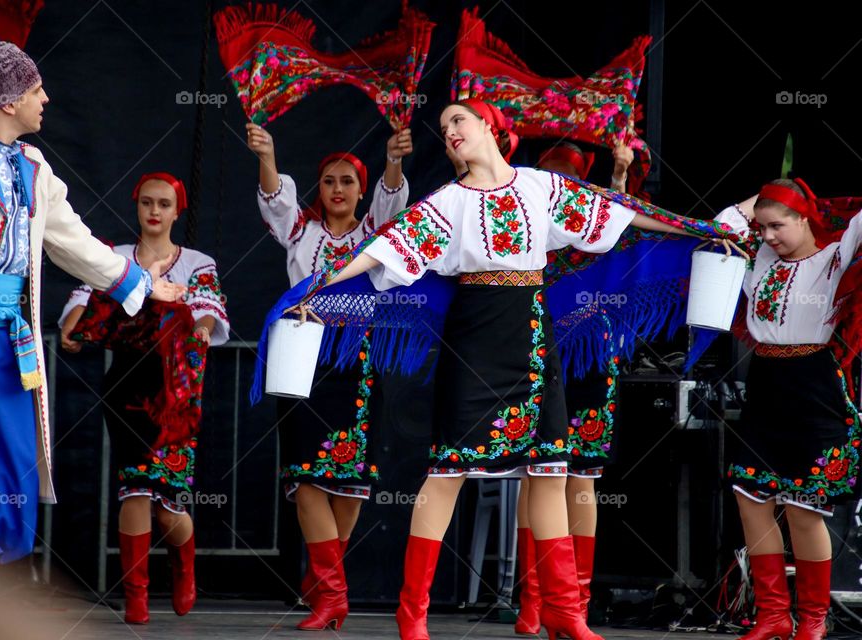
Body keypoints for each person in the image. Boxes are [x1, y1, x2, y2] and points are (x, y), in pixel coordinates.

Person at [289, 99, 733, 640]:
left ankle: (565, 613)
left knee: (550, 470)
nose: (449, 131)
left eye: (460, 120)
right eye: (445, 125)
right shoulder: (447, 202)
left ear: (492, 129)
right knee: (448, 471)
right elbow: (383, 250)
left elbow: (617, 211)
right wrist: (320, 286)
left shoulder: (541, 188)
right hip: (474, 341)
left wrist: (696, 229)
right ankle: (413, 614)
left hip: (532, 335)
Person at [0, 39, 184, 594]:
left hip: (8, 346)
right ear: (7, 101)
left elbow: (71, 239)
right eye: (35, 90)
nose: (45, 98)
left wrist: (142, 283)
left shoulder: (33, 166)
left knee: (1, 481)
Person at [247, 121, 412, 630]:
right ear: (318, 189)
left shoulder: (373, 236)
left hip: (358, 362)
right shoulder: (302, 232)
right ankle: (332, 593)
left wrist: (393, 160)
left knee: (348, 484)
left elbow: (393, 209)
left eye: (347, 181)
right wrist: (268, 153)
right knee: (306, 478)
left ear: (361, 191)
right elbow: (275, 200)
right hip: (303, 358)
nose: (337, 190)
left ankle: (325, 588)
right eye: (329, 181)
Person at [59, 172, 229, 624]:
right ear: (137, 207)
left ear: (178, 211)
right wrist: (72, 325)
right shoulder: (113, 257)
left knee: (169, 507)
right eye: (147, 203)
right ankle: (135, 596)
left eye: (164, 204)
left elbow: (209, 308)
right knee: (133, 489)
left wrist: (200, 329)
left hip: (177, 392)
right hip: (128, 389)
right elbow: (82, 296)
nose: (155, 211)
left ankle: (183, 560)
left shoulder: (197, 262)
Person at [714, 180, 861, 640]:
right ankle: (773, 615)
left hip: (814, 383)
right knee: (752, 497)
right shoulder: (758, 259)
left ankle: (813, 619)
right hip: (765, 382)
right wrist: (761, 198)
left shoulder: (834, 258)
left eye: (778, 225)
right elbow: (721, 224)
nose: (768, 236)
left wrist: (802, 194)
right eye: (762, 227)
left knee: (803, 507)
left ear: (805, 219)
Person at [514, 140, 634, 634]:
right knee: (535, 474)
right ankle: (532, 601)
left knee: (580, 477)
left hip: (591, 365)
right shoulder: (526, 226)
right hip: (539, 355)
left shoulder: (597, 230)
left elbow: (625, 232)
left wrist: (621, 178)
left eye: (571, 179)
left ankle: (575, 601)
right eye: (551, 177)